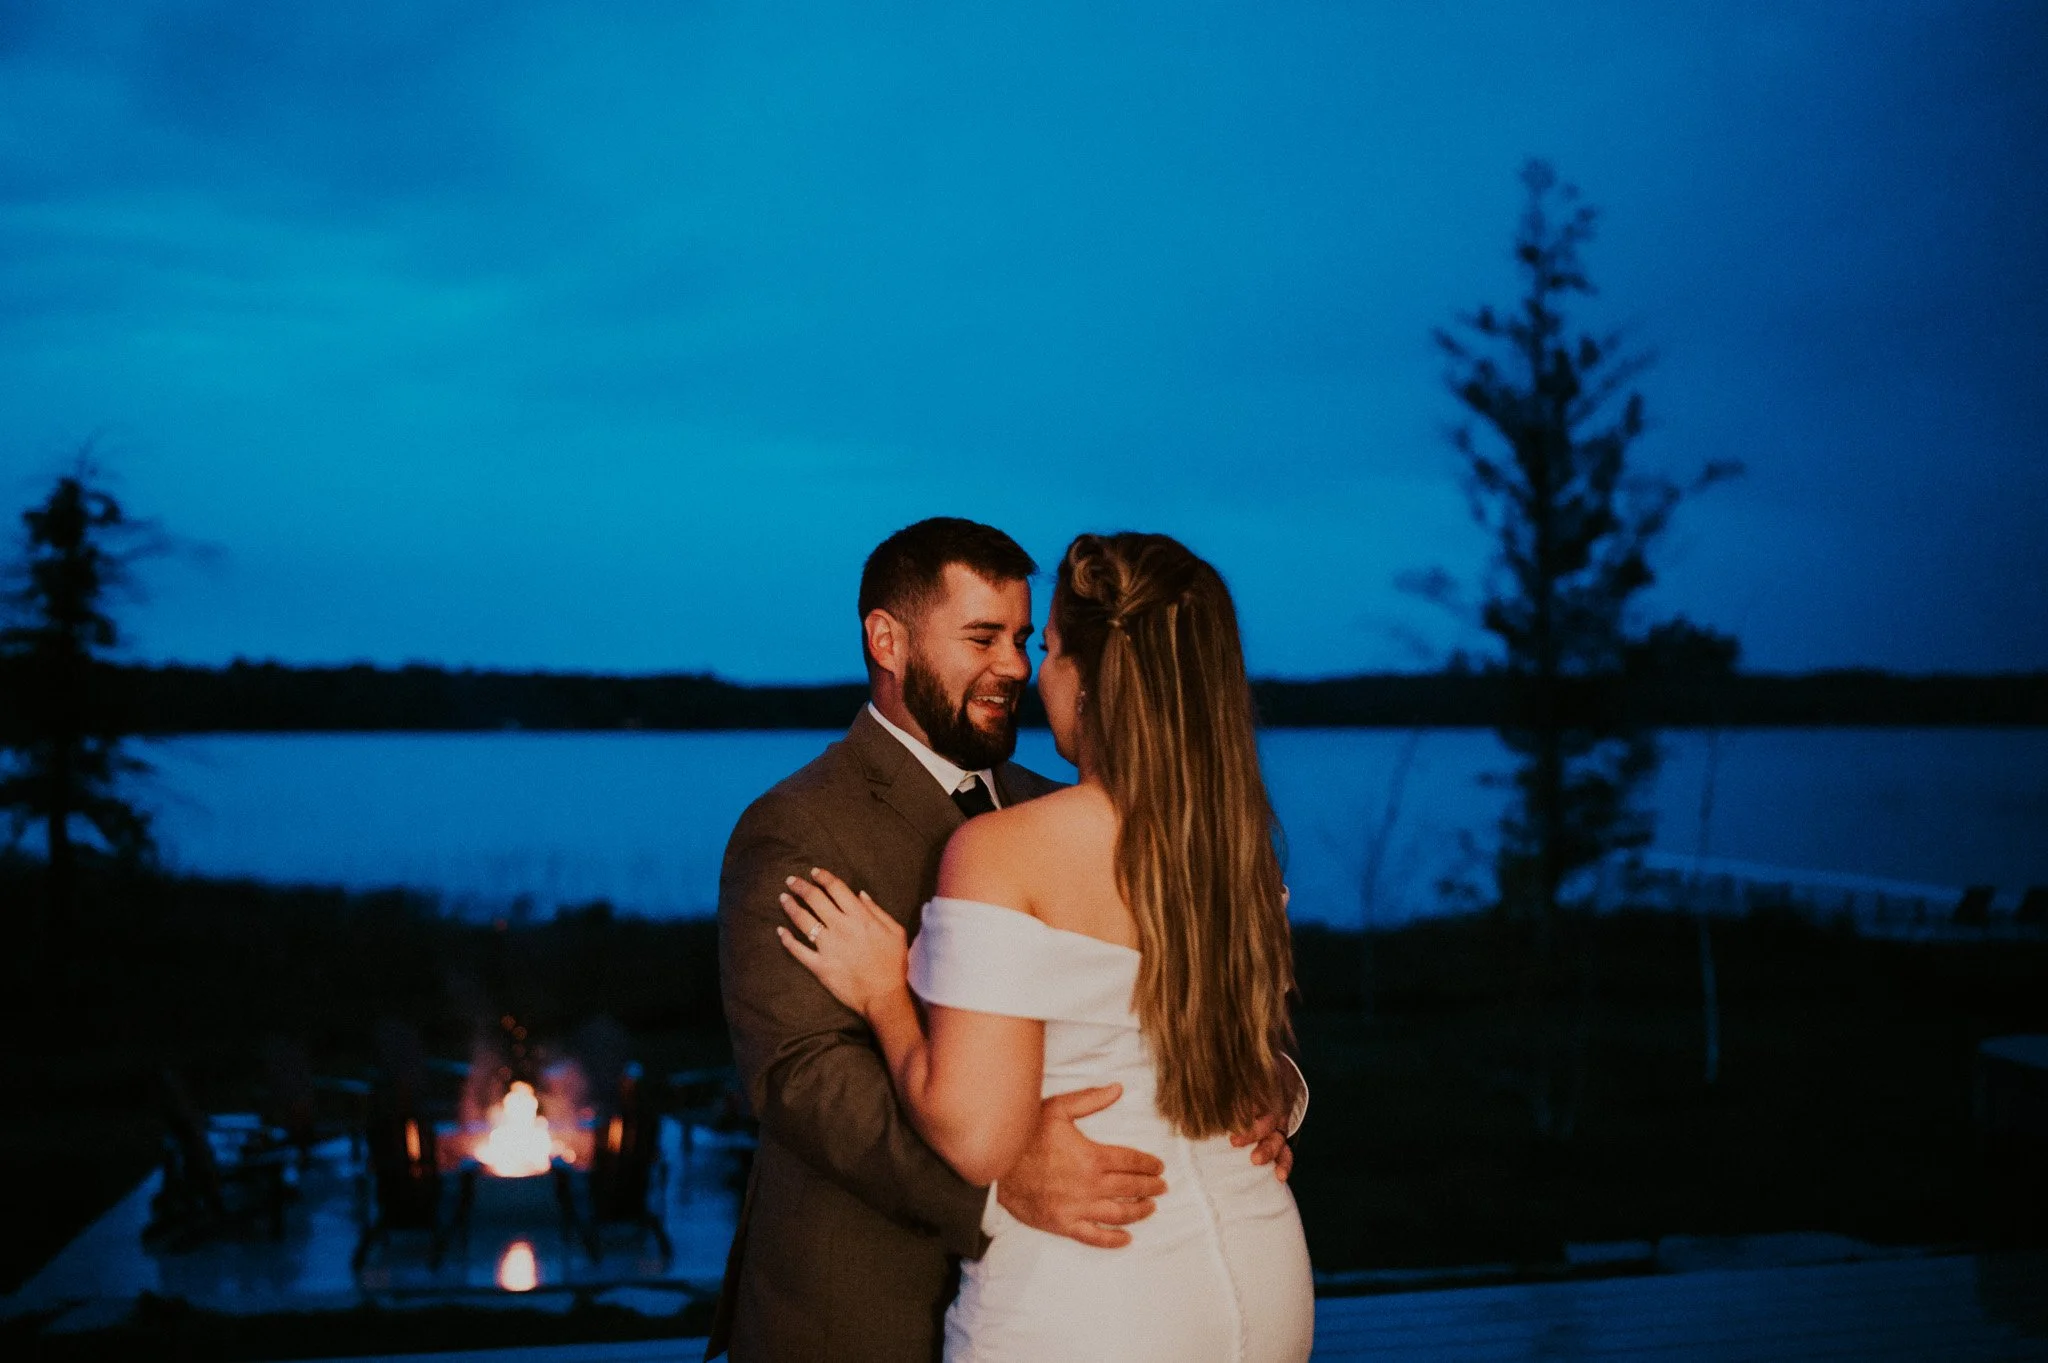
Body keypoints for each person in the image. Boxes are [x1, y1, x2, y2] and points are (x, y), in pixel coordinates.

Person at [711, 519, 1298, 1362]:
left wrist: (1271, 1088)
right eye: (983, 637)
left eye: (1027, 639)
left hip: (1085, 1294)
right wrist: (1000, 1185)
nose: (1016, 667)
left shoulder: (1055, 807)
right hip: (865, 1308)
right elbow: (800, 1076)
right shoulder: (795, 825)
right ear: (888, 639)